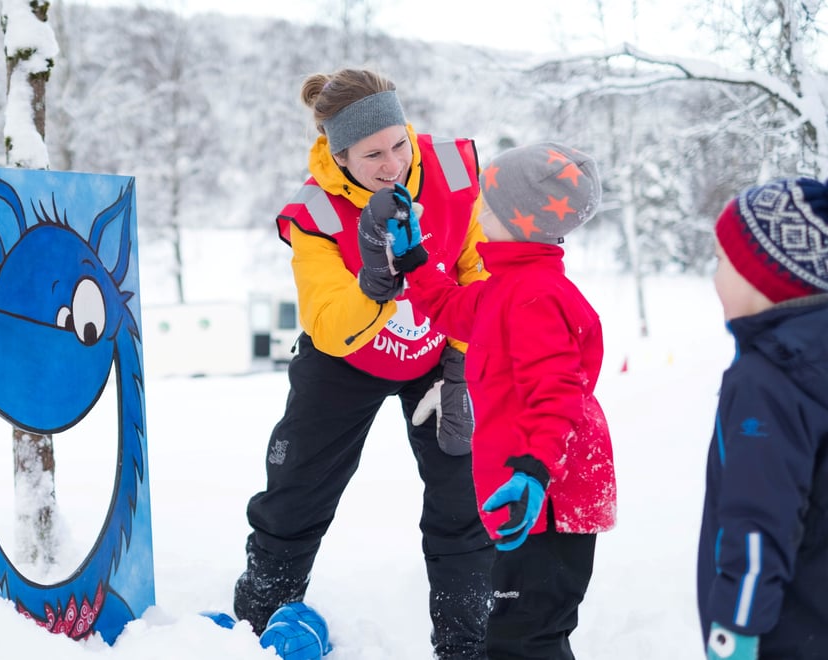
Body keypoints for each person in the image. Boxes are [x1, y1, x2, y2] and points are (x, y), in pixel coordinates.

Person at [232, 68, 494, 659]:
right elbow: (327, 322)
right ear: (338, 152)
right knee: (298, 484)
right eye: (372, 154)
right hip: (345, 358)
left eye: (399, 143)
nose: (393, 163)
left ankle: (468, 646)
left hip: (438, 352)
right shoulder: (315, 213)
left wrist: (460, 368)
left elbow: (479, 271)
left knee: (461, 490)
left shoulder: (452, 171)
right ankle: (258, 623)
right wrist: (374, 283)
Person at [370, 142, 617, 659]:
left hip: (547, 493)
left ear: (520, 221)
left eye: (488, 204)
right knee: (519, 631)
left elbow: (557, 393)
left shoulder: (534, 296)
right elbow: (448, 307)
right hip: (528, 488)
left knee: (525, 638)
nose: (478, 212)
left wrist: (532, 470)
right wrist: (415, 260)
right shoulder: (506, 287)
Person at [697, 176, 828, 660]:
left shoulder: (768, 377)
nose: (714, 277)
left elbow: (757, 517)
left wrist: (736, 628)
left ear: (770, 276)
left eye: (722, 261)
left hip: (779, 631)